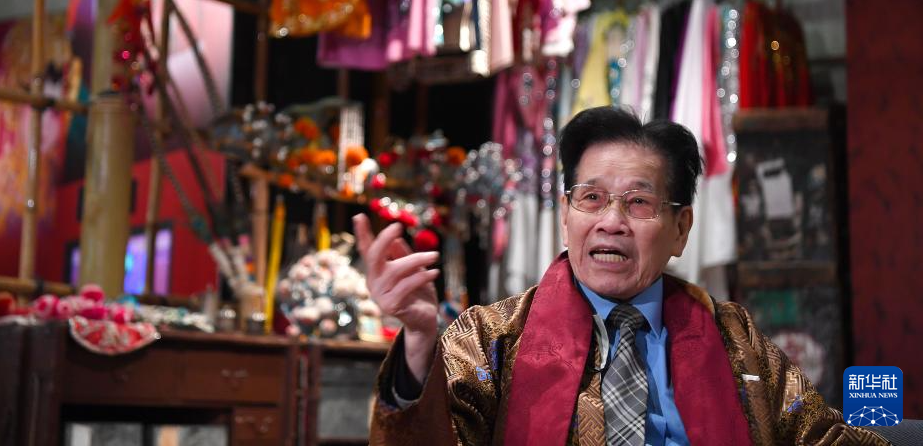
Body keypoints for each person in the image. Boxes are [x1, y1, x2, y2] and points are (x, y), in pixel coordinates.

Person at [353, 106, 888, 445]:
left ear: (681, 230)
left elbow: (823, 438)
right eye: (591, 198)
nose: (611, 221)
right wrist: (419, 343)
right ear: (566, 218)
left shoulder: (733, 338)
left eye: (638, 202)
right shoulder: (491, 337)